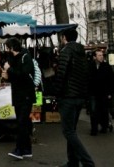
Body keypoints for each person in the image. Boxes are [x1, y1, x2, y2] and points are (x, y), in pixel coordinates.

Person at [54, 29, 95, 167]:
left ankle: (87, 162)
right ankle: (73, 161)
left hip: (68, 96)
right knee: (72, 130)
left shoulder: (66, 51)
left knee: (68, 131)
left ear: (64, 37)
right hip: (79, 96)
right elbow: (86, 75)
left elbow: (61, 75)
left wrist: (57, 94)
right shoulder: (82, 52)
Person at [1, 37, 36, 160]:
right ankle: (27, 149)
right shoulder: (13, 59)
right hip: (17, 94)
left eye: (7, 48)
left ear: (11, 48)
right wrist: (7, 76)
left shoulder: (25, 57)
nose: (7, 51)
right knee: (23, 122)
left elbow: (24, 75)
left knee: (21, 122)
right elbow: (15, 77)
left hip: (26, 94)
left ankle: (19, 150)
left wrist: (9, 69)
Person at [88, 50, 113, 135]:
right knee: (93, 111)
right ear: (94, 57)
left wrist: (110, 93)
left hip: (104, 93)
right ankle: (94, 129)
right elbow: (87, 80)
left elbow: (111, 81)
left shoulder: (107, 67)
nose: (101, 57)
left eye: (102, 55)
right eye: (99, 55)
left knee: (104, 111)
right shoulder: (90, 66)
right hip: (93, 93)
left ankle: (104, 127)